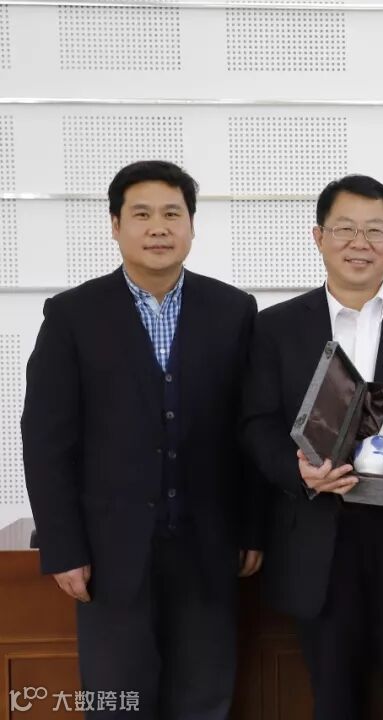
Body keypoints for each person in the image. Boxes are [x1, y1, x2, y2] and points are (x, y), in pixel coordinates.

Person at [21, 160, 263, 719]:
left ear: (192, 225)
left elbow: (249, 429)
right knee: (118, 704)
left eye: (172, 214)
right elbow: (46, 439)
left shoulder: (233, 311)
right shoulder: (72, 315)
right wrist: (64, 547)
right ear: (115, 225)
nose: (158, 228)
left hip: (209, 550)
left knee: (204, 702)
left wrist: (253, 528)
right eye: (142, 214)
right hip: (110, 556)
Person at [240, 174, 383, 719]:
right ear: (318, 236)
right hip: (318, 544)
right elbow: (256, 425)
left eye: (375, 230)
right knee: (334, 701)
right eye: (345, 229)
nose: (360, 243)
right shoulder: (275, 327)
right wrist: (297, 471)